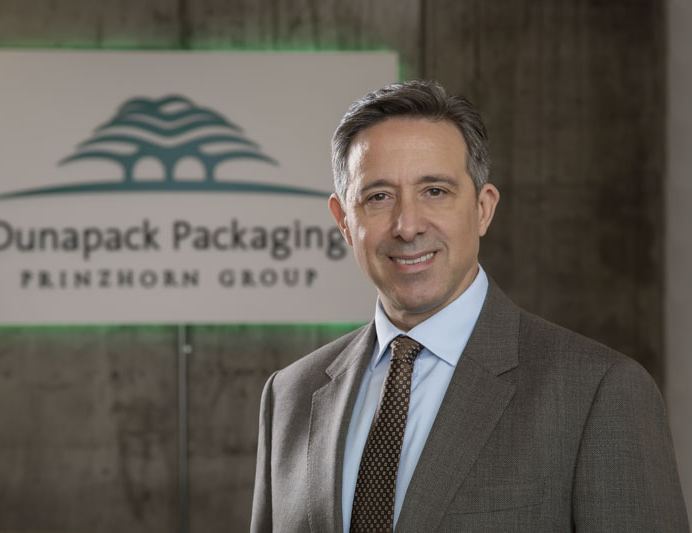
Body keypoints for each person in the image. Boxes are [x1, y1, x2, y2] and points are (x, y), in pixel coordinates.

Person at [249, 80, 689, 532]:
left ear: (482, 208)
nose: (407, 226)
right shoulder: (290, 396)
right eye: (378, 196)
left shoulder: (598, 392)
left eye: (435, 191)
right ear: (344, 221)